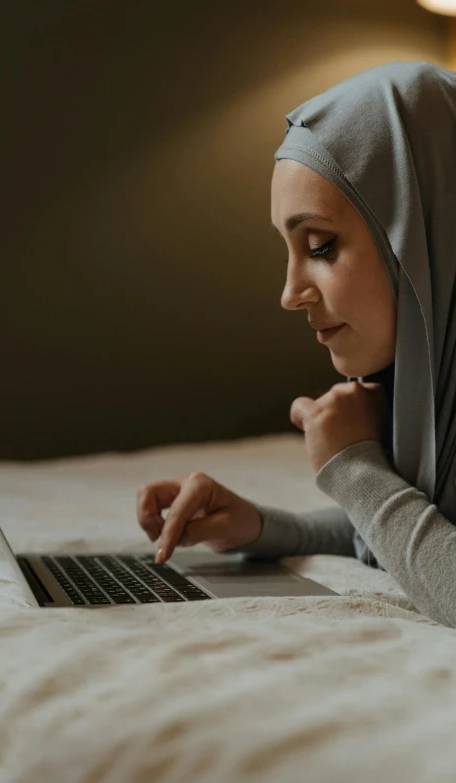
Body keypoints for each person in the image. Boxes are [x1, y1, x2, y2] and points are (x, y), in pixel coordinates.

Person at [136, 61, 456, 629]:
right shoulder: (428, 388)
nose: (290, 294)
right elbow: (418, 534)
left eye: (322, 246)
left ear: (422, 230)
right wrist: (260, 527)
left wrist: (355, 470)